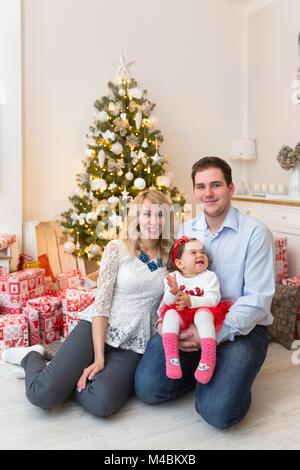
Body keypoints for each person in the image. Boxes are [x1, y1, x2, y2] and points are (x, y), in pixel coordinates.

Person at [1, 189, 173, 417]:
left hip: (134, 344)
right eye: (146, 214)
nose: (153, 221)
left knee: (102, 403)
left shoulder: (170, 256)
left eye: (160, 214)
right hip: (97, 327)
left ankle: (66, 377)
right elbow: (101, 304)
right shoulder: (117, 248)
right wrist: (99, 358)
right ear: (136, 218)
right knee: (42, 394)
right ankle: (31, 356)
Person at [135, 156, 275, 429]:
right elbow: (173, 282)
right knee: (148, 388)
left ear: (230, 188)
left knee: (216, 412)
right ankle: (204, 368)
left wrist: (212, 334)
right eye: (201, 186)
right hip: (190, 319)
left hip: (240, 329)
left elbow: (257, 301)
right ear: (194, 192)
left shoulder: (255, 233)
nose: (208, 193)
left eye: (215, 185)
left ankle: (224, 381)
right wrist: (165, 323)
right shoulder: (186, 231)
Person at [160, 236, 231, 384]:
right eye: (193, 253)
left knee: (203, 315)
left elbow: (213, 299)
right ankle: (172, 358)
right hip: (181, 313)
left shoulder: (210, 277)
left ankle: (208, 358)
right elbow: (167, 302)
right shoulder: (174, 277)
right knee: (170, 314)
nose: (200, 255)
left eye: (203, 252)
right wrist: (172, 292)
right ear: (180, 263)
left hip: (203, 310)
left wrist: (191, 301)